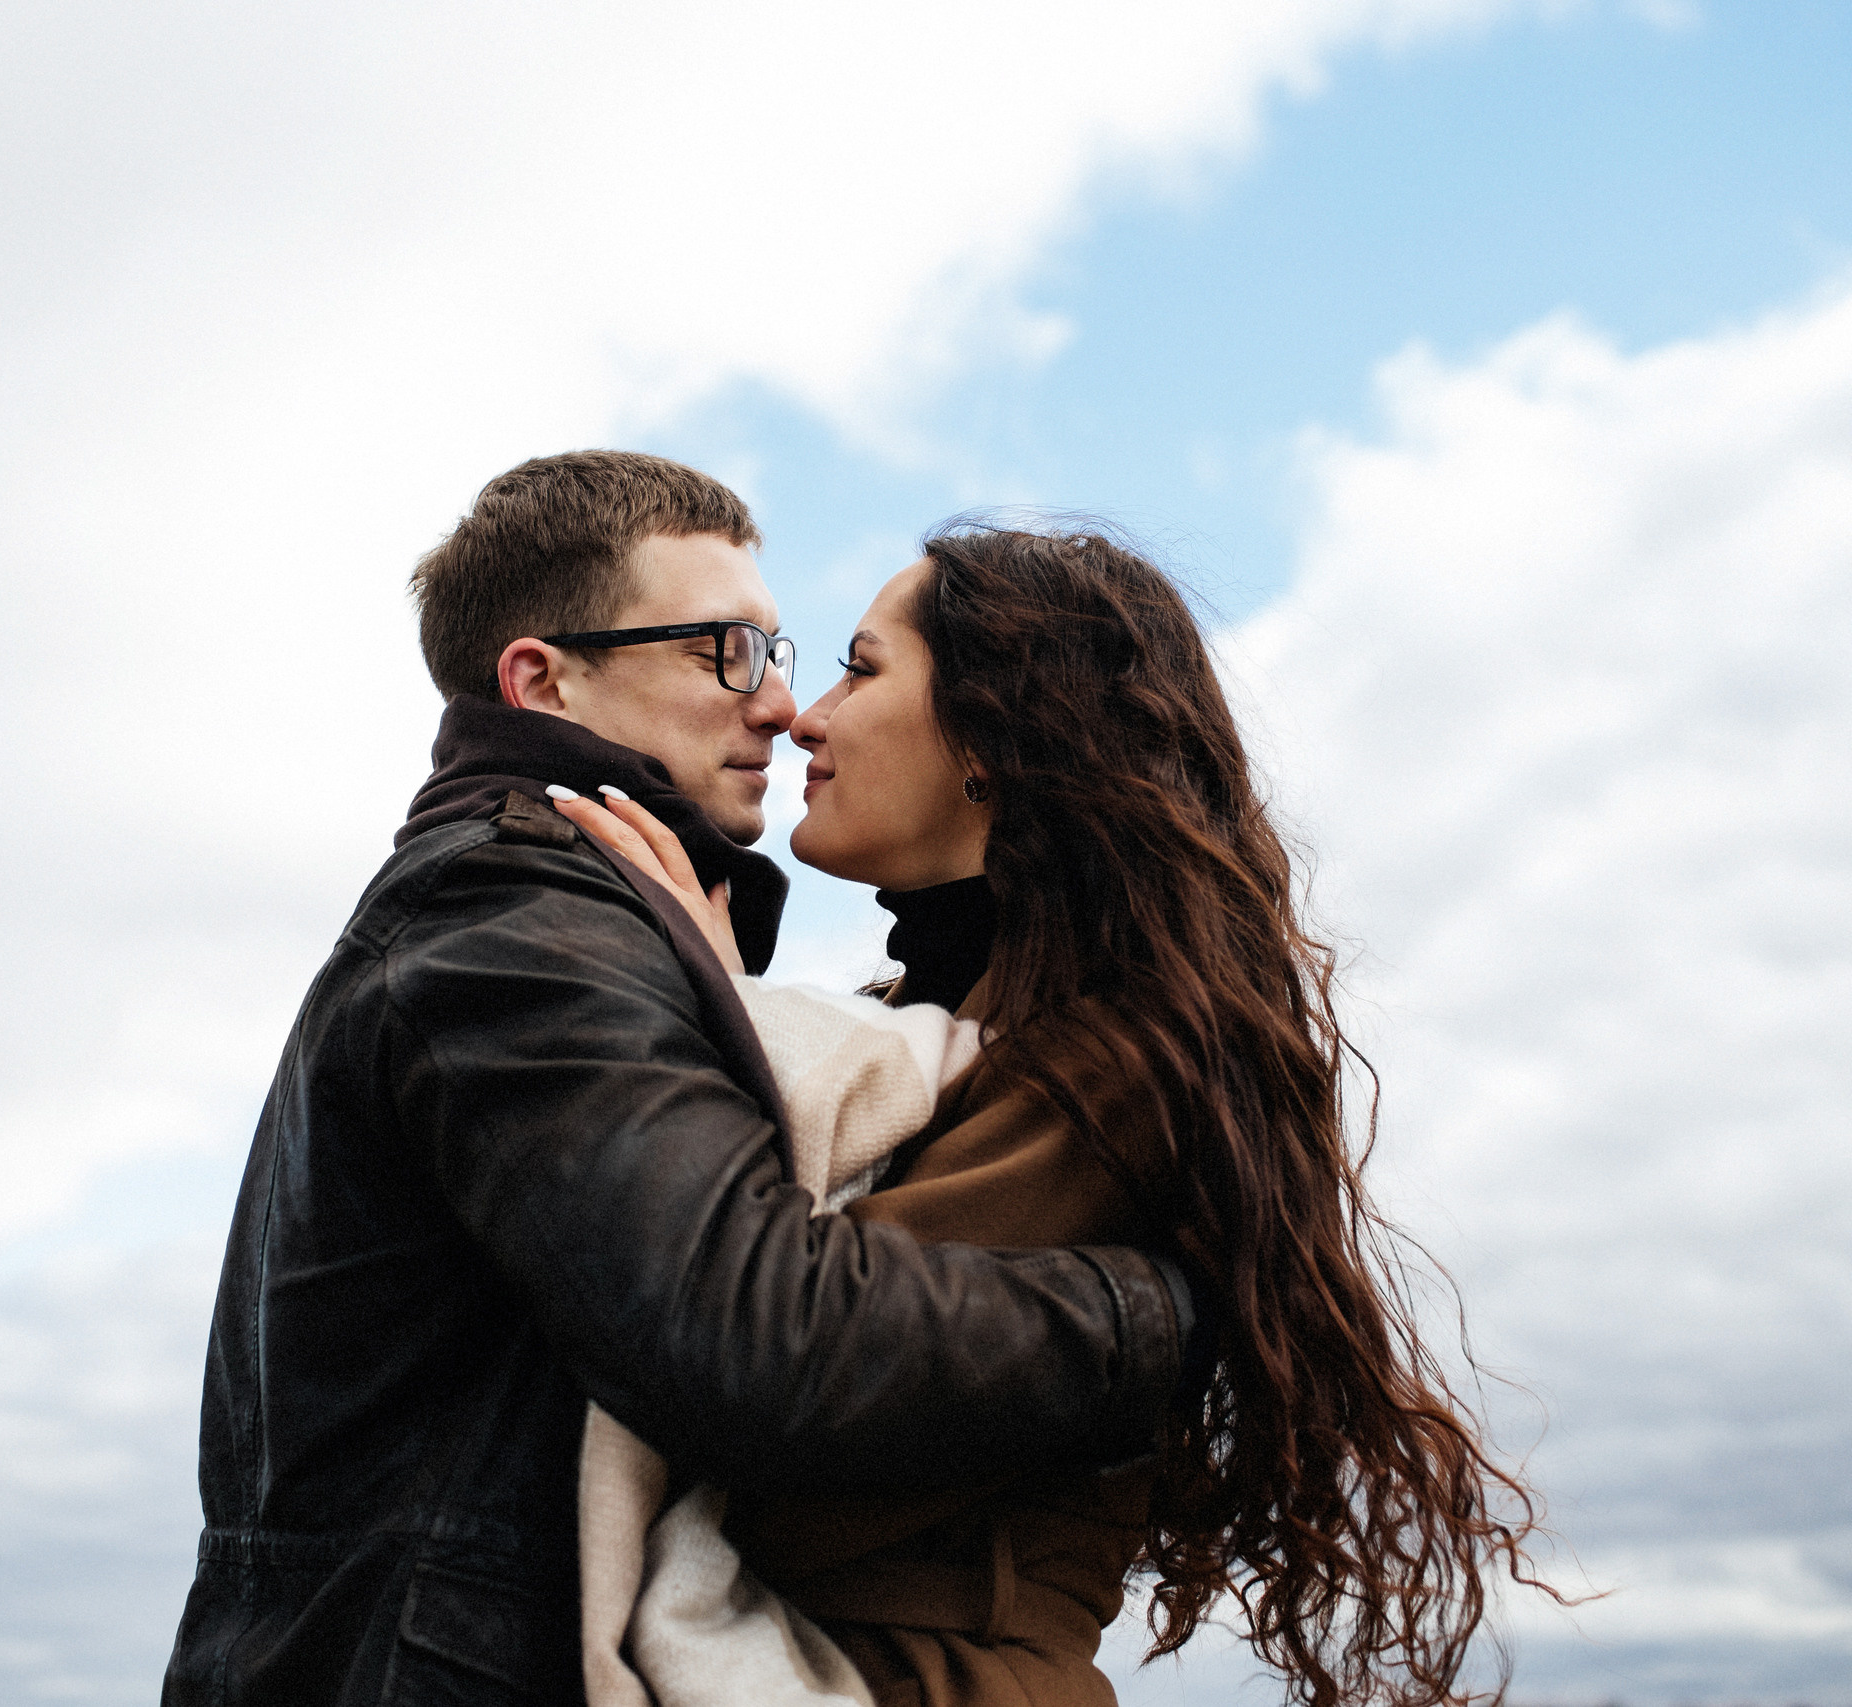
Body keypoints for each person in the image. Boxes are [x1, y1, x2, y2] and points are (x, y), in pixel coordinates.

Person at [160, 457, 1196, 1707]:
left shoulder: (569, 915)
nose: (779, 705)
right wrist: (1168, 1315)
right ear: (542, 678)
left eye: (785, 652)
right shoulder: (515, 915)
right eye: (725, 651)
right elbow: (757, 1339)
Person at [557, 522, 1544, 1707]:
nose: (802, 717)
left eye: (861, 669)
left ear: (991, 735)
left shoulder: (1122, 1062)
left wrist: (714, 1017)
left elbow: (777, 1404)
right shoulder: (938, 1024)